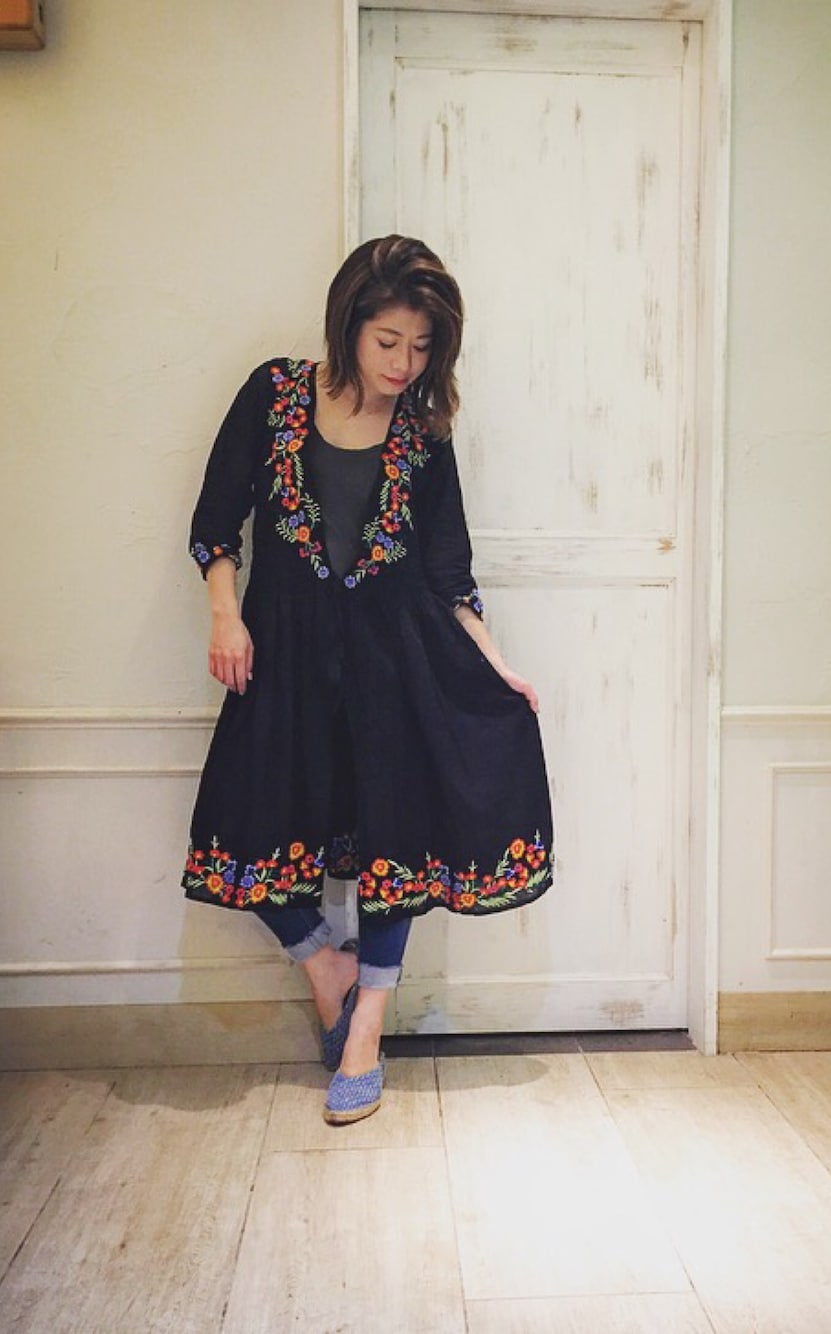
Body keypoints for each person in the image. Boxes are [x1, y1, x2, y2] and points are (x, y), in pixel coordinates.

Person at [182, 235, 553, 1124]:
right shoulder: (274, 395)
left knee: (398, 842)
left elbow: (447, 572)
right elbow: (216, 519)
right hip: (286, 658)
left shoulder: (423, 434)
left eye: (422, 347)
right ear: (348, 324)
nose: (403, 364)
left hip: (397, 662)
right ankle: (327, 966)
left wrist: (496, 664)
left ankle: (365, 1033)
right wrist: (226, 616)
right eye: (388, 341)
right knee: (245, 827)